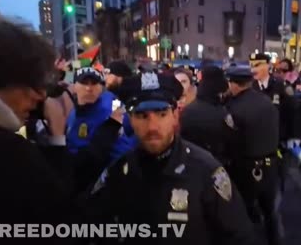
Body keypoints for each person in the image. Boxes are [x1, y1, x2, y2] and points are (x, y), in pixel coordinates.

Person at [0, 8, 80, 243]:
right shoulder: (4, 154)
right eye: (30, 82)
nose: (40, 96)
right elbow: (61, 225)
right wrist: (58, 138)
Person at [85, 72, 261, 245]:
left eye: (161, 114)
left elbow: (241, 236)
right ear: (130, 119)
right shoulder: (119, 172)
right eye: (142, 116)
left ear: (175, 116)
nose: (152, 126)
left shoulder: (206, 172)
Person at [225, 65, 282, 245]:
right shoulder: (267, 102)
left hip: (245, 167)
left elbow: (230, 139)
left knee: (244, 210)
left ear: (233, 83)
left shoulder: (232, 107)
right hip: (270, 163)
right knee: (270, 211)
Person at [66, 67, 137, 193]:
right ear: (74, 87)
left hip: (117, 178)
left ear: (101, 87)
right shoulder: (73, 114)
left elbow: (132, 129)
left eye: (94, 83)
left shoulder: (111, 105)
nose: (89, 88)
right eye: (84, 83)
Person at [250, 53, 301, 193]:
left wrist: (294, 138)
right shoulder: (249, 88)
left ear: (268, 65)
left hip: (279, 143)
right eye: (252, 65)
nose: (253, 69)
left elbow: (294, 114)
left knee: (277, 181)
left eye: (258, 65)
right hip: (255, 144)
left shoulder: (281, 87)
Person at [180, 65, 233, 164]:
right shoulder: (221, 113)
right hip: (216, 164)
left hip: (190, 164)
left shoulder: (187, 111)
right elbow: (230, 142)